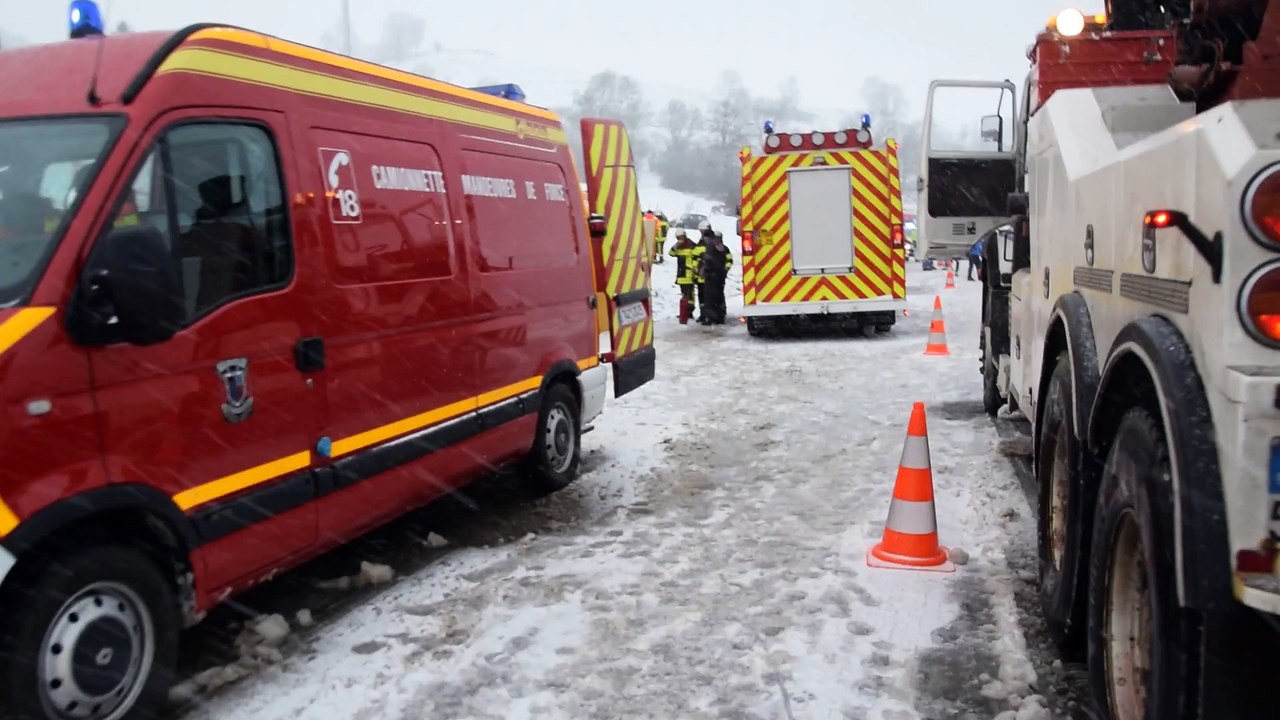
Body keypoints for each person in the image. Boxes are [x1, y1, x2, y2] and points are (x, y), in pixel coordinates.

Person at [698, 230, 733, 325]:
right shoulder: (711, 248)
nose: (717, 240)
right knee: (712, 298)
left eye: (718, 238)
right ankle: (713, 317)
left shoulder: (724, 249)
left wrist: (725, 270)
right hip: (712, 277)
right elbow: (706, 261)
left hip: (717, 277)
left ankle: (717, 317)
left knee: (715, 298)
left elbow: (729, 260)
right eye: (715, 238)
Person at [669, 230, 698, 321]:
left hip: (689, 274)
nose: (679, 239)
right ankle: (685, 312)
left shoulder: (691, 245)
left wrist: (695, 270)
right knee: (685, 295)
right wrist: (676, 245)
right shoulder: (678, 246)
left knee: (690, 295)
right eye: (678, 238)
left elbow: (696, 258)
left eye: (680, 237)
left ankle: (689, 312)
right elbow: (671, 253)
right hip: (681, 274)